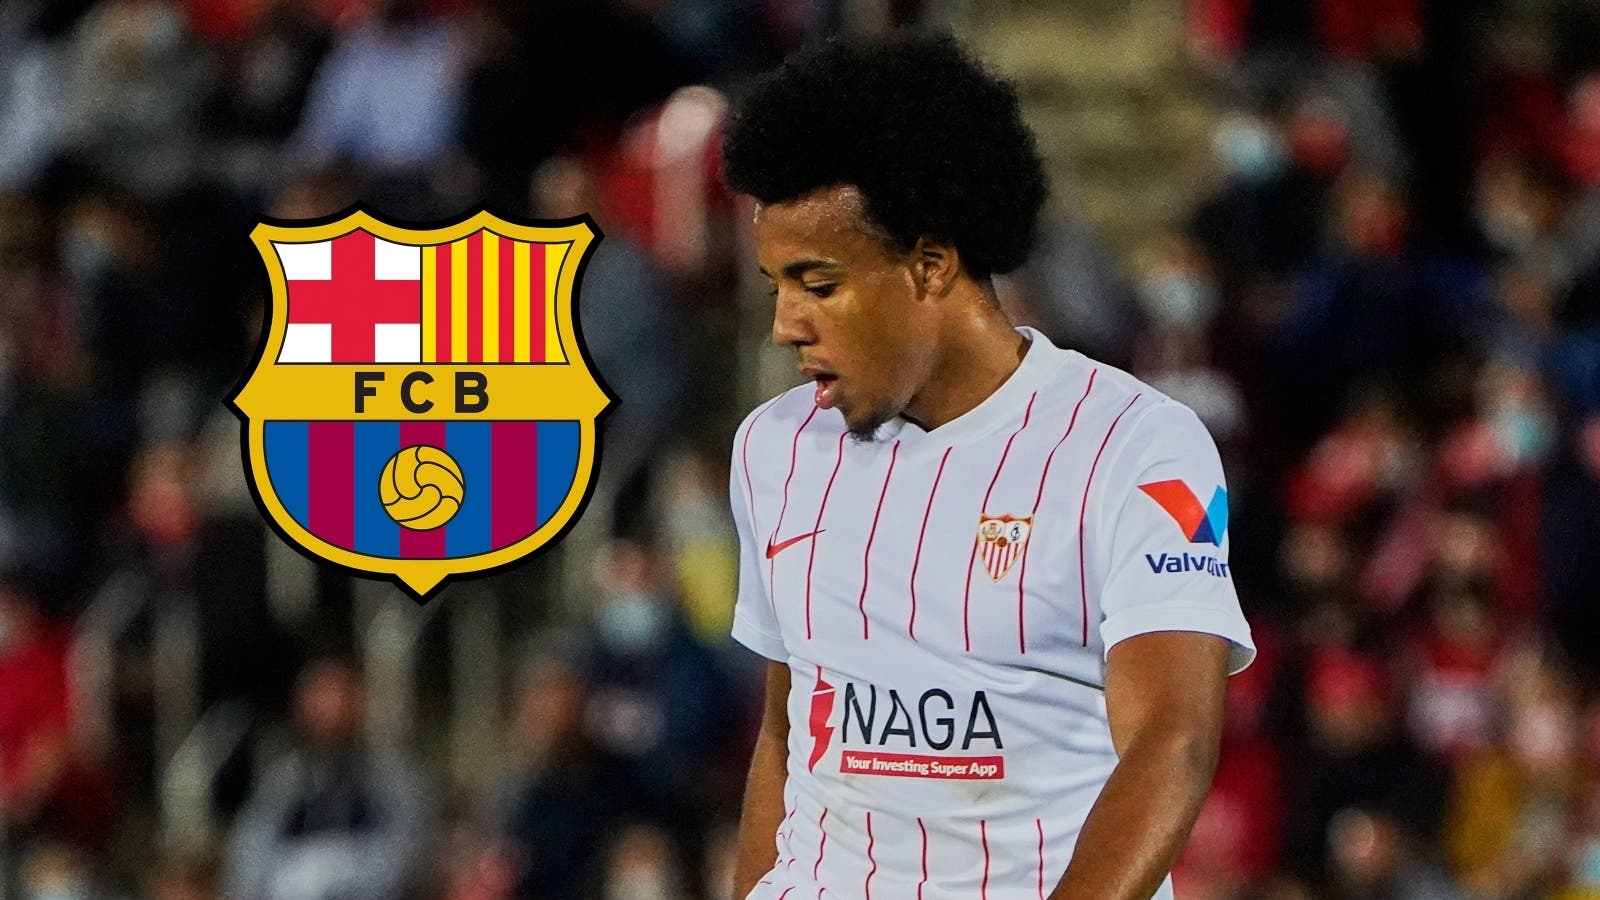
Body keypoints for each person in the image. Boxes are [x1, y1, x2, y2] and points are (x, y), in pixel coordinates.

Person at [719, 30, 1257, 899]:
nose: (785, 324)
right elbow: (787, 733)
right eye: (774, 286)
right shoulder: (772, 447)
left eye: (818, 285)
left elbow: (1172, 741)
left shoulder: (1135, 445)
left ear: (930, 265)